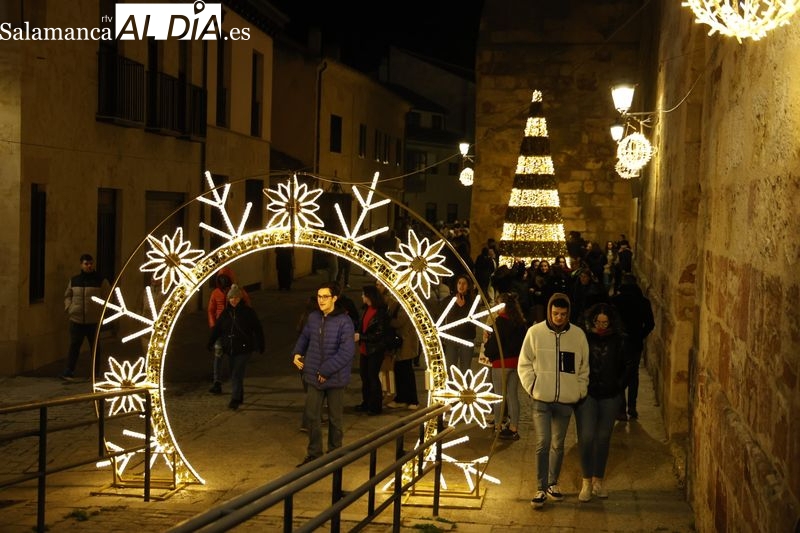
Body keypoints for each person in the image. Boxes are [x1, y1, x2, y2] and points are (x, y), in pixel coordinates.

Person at [517, 292, 589, 509]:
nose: (559, 318)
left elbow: (583, 367)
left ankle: (552, 483)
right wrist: (532, 386)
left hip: (565, 400)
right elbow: (525, 362)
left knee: (558, 444)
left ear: (568, 314)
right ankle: (540, 486)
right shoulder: (535, 333)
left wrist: (578, 390)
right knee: (543, 442)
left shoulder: (577, 336)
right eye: (555, 313)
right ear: (549, 311)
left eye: (563, 314)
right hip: (542, 399)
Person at [574, 303, 636, 502]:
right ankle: (586, 481)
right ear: (592, 321)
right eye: (598, 322)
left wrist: (618, 387)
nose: (601, 326)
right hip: (588, 394)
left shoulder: (620, 340)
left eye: (605, 322)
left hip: (610, 395)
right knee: (586, 436)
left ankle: (597, 480)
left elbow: (629, 366)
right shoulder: (584, 338)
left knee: (602, 439)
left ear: (610, 322)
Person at [292, 282, 356, 466]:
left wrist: (326, 370)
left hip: (334, 377)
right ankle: (314, 453)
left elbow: (346, 351)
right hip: (313, 375)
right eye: (319, 296)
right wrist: (297, 352)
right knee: (312, 415)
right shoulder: (313, 317)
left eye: (325, 296)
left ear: (334, 298)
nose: (321, 300)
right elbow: (305, 337)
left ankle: (335, 453)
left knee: (336, 418)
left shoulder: (344, 321)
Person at [206, 284, 265, 410]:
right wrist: (211, 342)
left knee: (236, 374)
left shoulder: (248, 312)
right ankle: (240, 395)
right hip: (231, 348)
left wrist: (261, 344)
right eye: (231, 298)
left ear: (240, 298)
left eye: (236, 298)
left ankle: (235, 399)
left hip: (244, 348)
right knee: (235, 372)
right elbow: (218, 329)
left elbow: (257, 329)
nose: (233, 300)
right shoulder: (226, 313)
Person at [482, 292, 527, 440]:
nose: (496, 307)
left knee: (499, 396)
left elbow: (494, 346)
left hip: (500, 363)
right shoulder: (520, 322)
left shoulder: (499, 322)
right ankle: (514, 428)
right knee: (513, 395)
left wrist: (487, 344)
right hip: (515, 363)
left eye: (498, 304)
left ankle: (498, 426)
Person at [611, 274, 655, 420]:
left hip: (618, 343)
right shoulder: (643, 302)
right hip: (635, 343)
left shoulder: (615, 301)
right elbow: (650, 324)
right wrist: (639, 335)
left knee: (619, 374)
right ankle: (632, 407)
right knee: (632, 375)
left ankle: (621, 409)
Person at [62, 253, 111, 380]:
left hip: (93, 321)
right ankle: (69, 371)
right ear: (81, 265)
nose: (89, 266)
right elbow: (68, 295)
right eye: (86, 264)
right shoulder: (74, 280)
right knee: (74, 346)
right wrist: (69, 308)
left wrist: (101, 312)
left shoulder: (100, 280)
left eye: (90, 263)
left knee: (94, 348)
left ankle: (95, 373)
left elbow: (108, 297)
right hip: (76, 319)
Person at [207, 267, 251, 395]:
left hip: (233, 328)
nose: (223, 281)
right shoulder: (215, 293)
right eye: (221, 279)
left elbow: (247, 308)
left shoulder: (239, 292)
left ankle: (234, 382)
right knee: (218, 354)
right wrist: (213, 326)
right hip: (221, 329)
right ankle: (217, 382)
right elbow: (211, 310)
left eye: (225, 279)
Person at [379, 282, 419, 410]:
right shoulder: (396, 301)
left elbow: (399, 321)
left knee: (407, 371)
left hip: (406, 342)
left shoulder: (406, 304)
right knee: (400, 370)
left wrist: (387, 320)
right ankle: (402, 398)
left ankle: (413, 400)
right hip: (401, 343)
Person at [355, 284, 390, 416]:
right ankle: (366, 402)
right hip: (365, 349)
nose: (362, 296)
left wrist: (361, 336)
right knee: (364, 376)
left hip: (375, 350)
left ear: (369, 296)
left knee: (372, 377)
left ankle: (375, 406)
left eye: (364, 294)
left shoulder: (380, 313)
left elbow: (379, 334)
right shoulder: (366, 309)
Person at [443, 275, 477, 374]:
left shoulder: (472, 301)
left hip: (466, 338)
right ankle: (451, 388)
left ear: (468, 286)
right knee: (450, 368)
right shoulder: (449, 300)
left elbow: (472, 321)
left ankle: (465, 388)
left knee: (465, 370)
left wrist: (462, 307)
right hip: (452, 338)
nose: (461, 286)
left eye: (464, 283)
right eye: (459, 283)